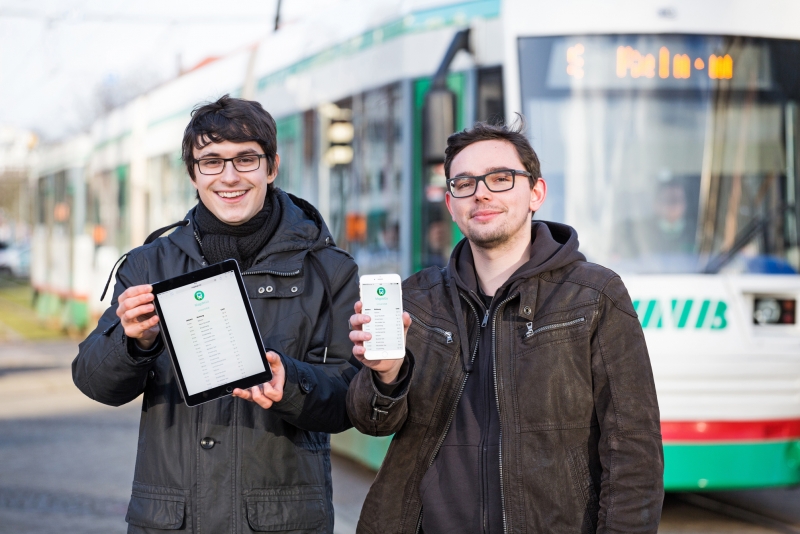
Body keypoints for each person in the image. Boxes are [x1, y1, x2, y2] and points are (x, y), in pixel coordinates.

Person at [347, 121, 664, 533]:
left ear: (536, 193)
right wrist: (385, 376)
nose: (481, 192)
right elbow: (371, 423)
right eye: (464, 182)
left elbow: (633, 452)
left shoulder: (594, 296)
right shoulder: (418, 300)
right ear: (450, 203)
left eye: (500, 178)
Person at [73, 95, 360, 534]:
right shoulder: (148, 265)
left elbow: (353, 401)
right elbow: (95, 383)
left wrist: (293, 385)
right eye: (211, 161)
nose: (229, 176)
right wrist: (132, 341)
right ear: (193, 173)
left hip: (283, 523)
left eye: (246, 158)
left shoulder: (329, 270)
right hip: (173, 522)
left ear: (272, 166)